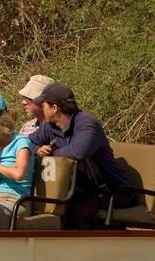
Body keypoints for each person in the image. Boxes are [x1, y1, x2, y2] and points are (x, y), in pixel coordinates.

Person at [27, 83, 134, 229]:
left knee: (73, 212)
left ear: (54, 108)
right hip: (79, 190)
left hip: (111, 190)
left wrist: (50, 155)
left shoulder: (87, 124)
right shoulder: (50, 127)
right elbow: (27, 143)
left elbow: (77, 153)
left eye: (43, 105)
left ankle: (89, 249)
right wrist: (37, 149)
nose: (41, 108)